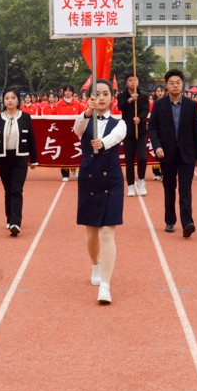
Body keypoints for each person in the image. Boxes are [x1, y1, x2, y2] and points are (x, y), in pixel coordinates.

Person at [74, 78, 127, 304]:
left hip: (112, 180)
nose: (102, 98)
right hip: (89, 178)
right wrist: (88, 113)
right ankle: (95, 265)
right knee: (92, 233)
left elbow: (117, 137)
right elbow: (77, 130)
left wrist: (103, 142)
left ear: (112, 98)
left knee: (107, 232)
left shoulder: (120, 122)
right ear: (90, 98)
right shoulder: (85, 119)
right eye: (97, 94)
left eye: (106, 94)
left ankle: (105, 285)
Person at [148, 69, 197, 238]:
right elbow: (152, 128)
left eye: (178, 82)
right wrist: (157, 146)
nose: (175, 85)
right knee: (169, 188)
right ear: (166, 85)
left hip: (187, 154)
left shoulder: (191, 105)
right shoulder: (159, 105)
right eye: (171, 83)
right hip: (167, 154)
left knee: (185, 189)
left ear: (182, 84)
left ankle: (187, 223)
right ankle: (170, 220)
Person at [0, 87, 38, 237]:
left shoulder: (25, 118)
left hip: (20, 158)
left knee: (16, 190)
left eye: (13, 98)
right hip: (3, 158)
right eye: (7, 98)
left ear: (18, 100)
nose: (10, 101)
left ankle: (15, 223)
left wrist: (34, 159)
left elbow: (31, 139)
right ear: (3, 100)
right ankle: (10, 218)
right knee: (8, 189)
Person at [117, 72, 150, 197]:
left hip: (140, 131)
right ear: (127, 82)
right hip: (127, 132)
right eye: (130, 80)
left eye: (135, 80)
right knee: (129, 160)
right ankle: (130, 185)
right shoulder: (122, 96)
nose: (133, 82)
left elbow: (145, 110)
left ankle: (141, 180)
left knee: (142, 157)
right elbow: (121, 107)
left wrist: (140, 118)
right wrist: (130, 100)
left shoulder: (143, 96)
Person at [54, 85, 86, 181]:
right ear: (63, 92)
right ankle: (65, 174)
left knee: (74, 150)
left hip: (74, 132)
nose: (68, 92)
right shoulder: (58, 104)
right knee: (64, 152)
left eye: (70, 91)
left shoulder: (78, 104)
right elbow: (55, 118)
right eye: (66, 91)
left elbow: (82, 117)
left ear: (72, 92)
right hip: (63, 132)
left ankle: (74, 169)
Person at [149, 84, 166, 181]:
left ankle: (164, 173)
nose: (160, 93)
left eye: (161, 91)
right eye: (158, 91)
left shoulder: (167, 103)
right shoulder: (152, 104)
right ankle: (156, 173)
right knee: (154, 151)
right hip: (155, 130)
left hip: (164, 131)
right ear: (155, 92)